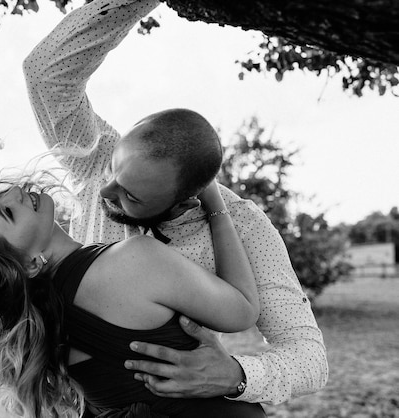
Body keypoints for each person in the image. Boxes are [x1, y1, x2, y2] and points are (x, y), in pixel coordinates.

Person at [23, 0, 328, 405]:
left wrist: (237, 375)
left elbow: (310, 358)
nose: (104, 193)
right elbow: (44, 74)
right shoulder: (98, 157)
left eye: (130, 196)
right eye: (115, 171)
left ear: (183, 202)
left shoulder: (244, 226)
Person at [0, 151, 266, 417]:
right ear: (26, 264)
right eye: (7, 213)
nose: (13, 194)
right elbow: (243, 311)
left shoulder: (44, 317)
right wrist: (215, 202)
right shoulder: (131, 260)